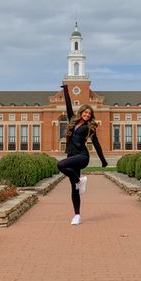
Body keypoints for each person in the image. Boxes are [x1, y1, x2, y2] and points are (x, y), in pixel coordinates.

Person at [57, 83, 108, 225]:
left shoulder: (89, 127)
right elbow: (68, 105)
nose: (87, 115)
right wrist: (66, 90)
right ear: (81, 112)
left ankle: (80, 181)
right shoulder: (72, 120)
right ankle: (77, 215)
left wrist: (103, 160)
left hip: (82, 156)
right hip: (71, 156)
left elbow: (96, 144)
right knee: (74, 189)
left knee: (60, 165)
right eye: (85, 113)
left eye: (89, 114)